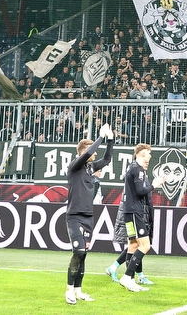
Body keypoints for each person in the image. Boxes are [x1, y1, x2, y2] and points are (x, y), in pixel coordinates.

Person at [64, 122, 114, 304]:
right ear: (83, 151)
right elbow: (86, 154)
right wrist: (100, 137)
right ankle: (68, 290)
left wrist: (110, 140)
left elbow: (107, 160)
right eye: (92, 150)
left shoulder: (90, 168)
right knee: (78, 251)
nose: (94, 153)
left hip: (88, 217)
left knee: (84, 253)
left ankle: (78, 291)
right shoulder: (74, 166)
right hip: (74, 216)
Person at [118, 143, 169, 293]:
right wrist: (154, 185)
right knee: (145, 245)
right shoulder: (137, 169)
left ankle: (131, 280)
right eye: (148, 153)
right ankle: (127, 277)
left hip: (129, 211)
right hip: (134, 212)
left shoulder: (132, 168)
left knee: (133, 245)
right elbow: (141, 191)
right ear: (140, 154)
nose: (150, 156)